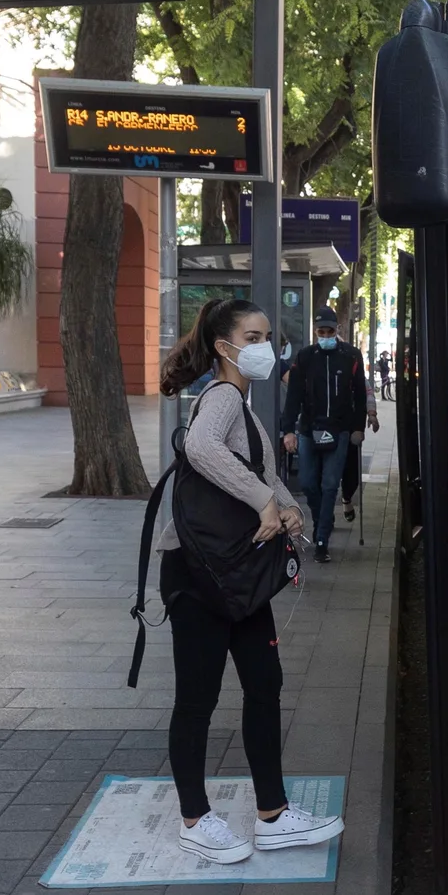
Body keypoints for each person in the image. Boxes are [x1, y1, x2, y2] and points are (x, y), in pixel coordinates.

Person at [155, 298, 343, 864]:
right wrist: (266, 499)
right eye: (254, 336)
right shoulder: (221, 397)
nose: (267, 347)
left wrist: (288, 508)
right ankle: (194, 819)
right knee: (198, 697)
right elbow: (202, 448)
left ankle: (274, 815)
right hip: (198, 573)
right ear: (224, 346)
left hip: (236, 573)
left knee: (265, 684)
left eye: (268, 336)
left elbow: (259, 473)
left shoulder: (244, 404)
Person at [281, 308, 377, 561]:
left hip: (340, 430)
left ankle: (321, 539)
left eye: (329, 331)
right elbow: (294, 396)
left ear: (337, 331)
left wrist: (358, 427)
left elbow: (359, 393)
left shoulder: (350, 357)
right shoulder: (304, 358)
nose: (325, 335)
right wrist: (288, 429)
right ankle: (322, 516)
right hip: (308, 430)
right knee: (309, 483)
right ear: (315, 331)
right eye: (321, 332)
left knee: (329, 485)